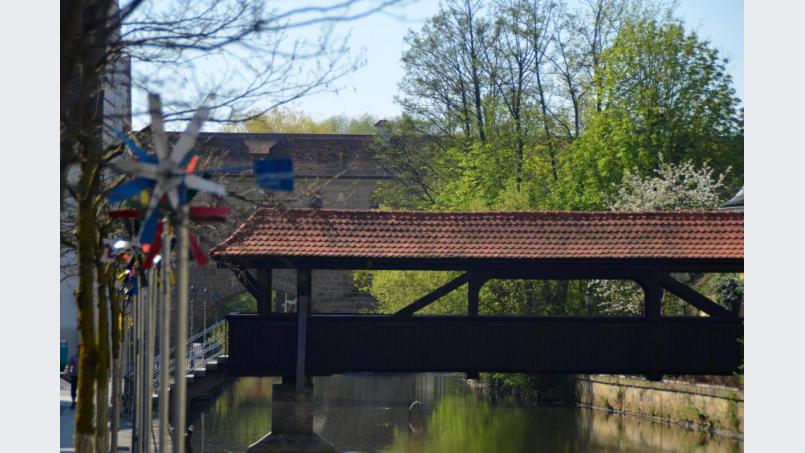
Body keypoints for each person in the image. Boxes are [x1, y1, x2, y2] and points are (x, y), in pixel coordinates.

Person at [65, 345, 79, 409]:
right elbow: (69, 366)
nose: (79, 350)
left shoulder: (85, 357)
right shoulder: (73, 357)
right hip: (74, 376)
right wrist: (68, 375)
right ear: (77, 349)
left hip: (83, 377)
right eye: (78, 349)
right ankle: (73, 402)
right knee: (73, 389)